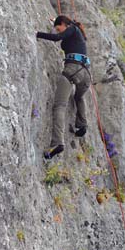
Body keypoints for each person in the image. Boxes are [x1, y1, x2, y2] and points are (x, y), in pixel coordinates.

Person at [36, 15, 91, 159]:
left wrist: (37, 34)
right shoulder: (77, 32)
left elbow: (57, 38)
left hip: (72, 70)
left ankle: (57, 143)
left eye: (57, 27)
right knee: (78, 96)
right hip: (85, 73)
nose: (56, 30)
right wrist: (55, 21)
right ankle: (82, 125)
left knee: (60, 105)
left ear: (63, 24)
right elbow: (65, 34)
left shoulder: (72, 28)